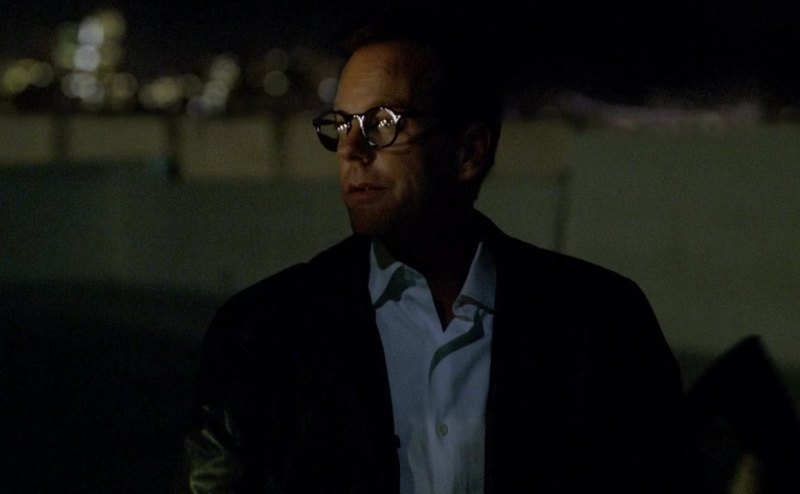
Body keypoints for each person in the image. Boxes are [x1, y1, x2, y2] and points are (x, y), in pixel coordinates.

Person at [183, 9, 701, 494]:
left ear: (469, 153)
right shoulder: (261, 334)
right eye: (342, 125)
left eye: (382, 123)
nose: (351, 151)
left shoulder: (602, 323)